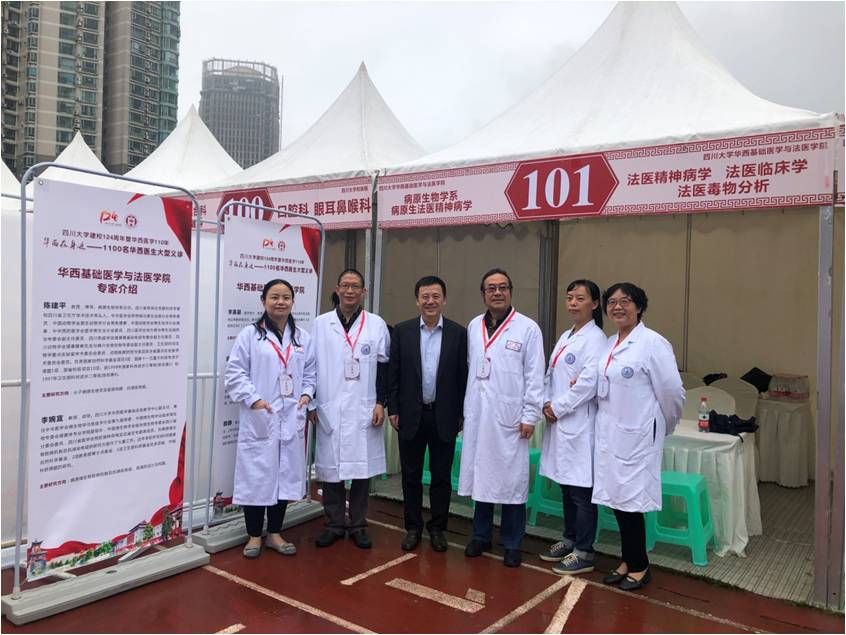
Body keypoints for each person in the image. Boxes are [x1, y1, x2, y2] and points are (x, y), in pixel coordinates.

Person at [592, 282, 684, 591]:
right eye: (612, 302)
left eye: (626, 301)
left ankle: (640, 566)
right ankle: (628, 559)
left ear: (640, 307)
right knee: (618, 501)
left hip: (638, 434)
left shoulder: (653, 343)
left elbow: (672, 393)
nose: (618, 307)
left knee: (631, 503)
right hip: (611, 433)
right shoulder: (610, 343)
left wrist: (662, 426)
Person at [459, 268, 544, 567]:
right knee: (481, 477)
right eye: (491, 288)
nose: (497, 292)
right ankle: (481, 536)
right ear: (483, 294)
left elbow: (535, 376)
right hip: (478, 415)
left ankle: (512, 542)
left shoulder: (528, 328)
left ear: (510, 292)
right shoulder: (474, 326)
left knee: (511, 482)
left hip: (511, 418)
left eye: (503, 287)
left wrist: (530, 415)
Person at [225, 279, 316, 559]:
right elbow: (235, 373)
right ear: (263, 301)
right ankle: (254, 535)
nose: (280, 302)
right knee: (257, 476)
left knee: (284, 475)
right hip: (262, 416)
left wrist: (306, 395)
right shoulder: (250, 336)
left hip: (291, 416)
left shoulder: (302, 338)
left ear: (293, 302)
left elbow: (311, 373)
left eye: (286, 297)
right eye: (274, 297)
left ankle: (275, 533)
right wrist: (254, 400)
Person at [309, 268, 390, 549]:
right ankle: (334, 523)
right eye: (345, 285)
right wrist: (313, 402)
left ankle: (358, 524)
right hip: (329, 406)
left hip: (364, 408)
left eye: (356, 286)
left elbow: (384, 366)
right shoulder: (320, 324)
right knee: (331, 470)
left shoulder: (376, 324)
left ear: (364, 291)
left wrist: (381, 402)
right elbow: (309, 366)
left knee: (361, 470)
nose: (350, 291)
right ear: (337, 289)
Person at [387, 276, 468, 552]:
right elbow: (394, 374)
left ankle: (438, 528)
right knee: (410, 476)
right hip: (411, 414)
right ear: (417, 300)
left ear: (444, 300)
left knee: (441, 477)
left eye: (435, 296)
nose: (430, 301)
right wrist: (393, 409)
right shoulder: (402, 331)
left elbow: (463, 377)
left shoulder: (458, 333)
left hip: (444, 416)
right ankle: (412, 527)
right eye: (425, 296)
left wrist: (461, 413)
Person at [539, 279, 607, 575]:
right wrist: (545, 402)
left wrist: (557, 407)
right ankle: (569, 539)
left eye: (580, 298)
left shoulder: (596, 339)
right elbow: (550, 373)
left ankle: (584, 550)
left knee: (581, 492)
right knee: (566, 488)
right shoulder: (567, 335)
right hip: (559, 422)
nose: (573, 303)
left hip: (579, 425)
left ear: (595, 304)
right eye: (570, 298)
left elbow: (587, 384)